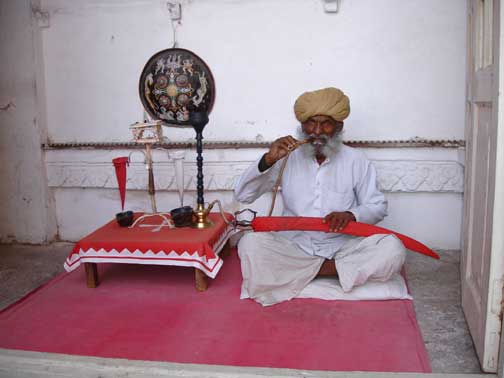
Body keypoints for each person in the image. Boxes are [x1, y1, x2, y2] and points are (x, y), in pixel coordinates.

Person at [234, 87, 406, 306]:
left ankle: (305, 273)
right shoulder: (287, 158)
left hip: (341, 247)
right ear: (302, 125)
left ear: (339, 127)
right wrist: (267, 159)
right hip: (295, 245)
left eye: (325, 123)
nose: (316, 131)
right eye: (310, 123)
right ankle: (336, 273)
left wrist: (351, 215)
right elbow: (243, 194)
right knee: (249, 244)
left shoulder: (356, 160)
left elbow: (377, 206)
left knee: (392, 248)